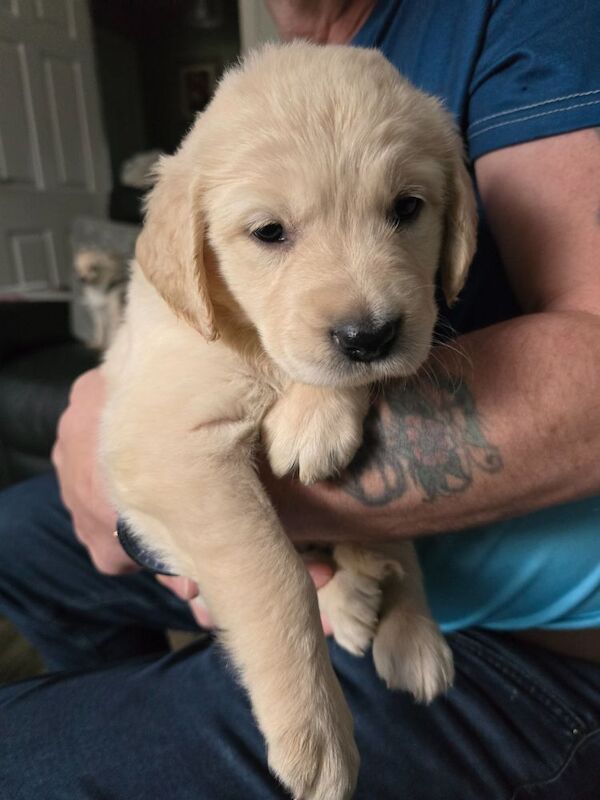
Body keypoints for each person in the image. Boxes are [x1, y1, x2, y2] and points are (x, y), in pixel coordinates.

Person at [1, 1, 600, 797]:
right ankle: (145, 678)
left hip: (533, 639)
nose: (365, 307)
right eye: (271, 234)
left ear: (455, 218)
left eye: (405, 210)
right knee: (17, 540)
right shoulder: (282, 88)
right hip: (277, 517)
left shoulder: (515, 20)